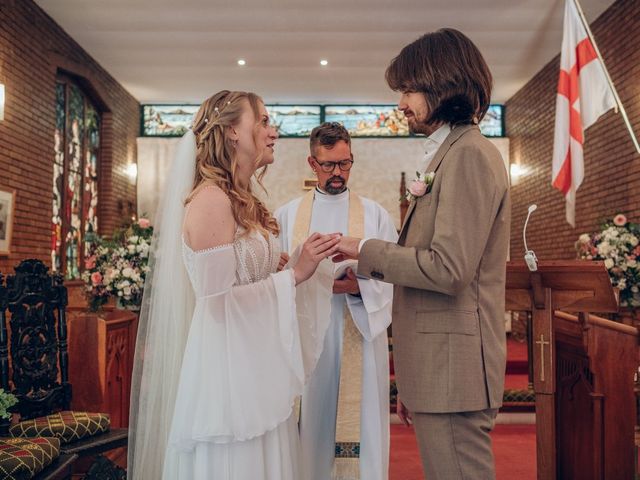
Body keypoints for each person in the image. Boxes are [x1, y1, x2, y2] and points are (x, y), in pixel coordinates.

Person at [128, 90, 341, 480]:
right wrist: (293, 276)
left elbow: (246, 277)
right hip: (227, 373)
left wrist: (295, 263)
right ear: (231, 132)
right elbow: (217, 303)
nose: (273, 131)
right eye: (262, 121)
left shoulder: (240, 198)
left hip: (253, 362)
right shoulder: (211, 200)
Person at [334, 29, 511, 480]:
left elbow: (449, 270)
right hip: (439, 368)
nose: (401, 104)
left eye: (407, 90)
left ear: (441, 84)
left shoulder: (468, 155)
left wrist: (365, 251)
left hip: (455, 372)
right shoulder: (448, 153)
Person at [275, 122, 397, 480]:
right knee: (308, 422)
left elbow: (395, 279)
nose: (338, 173)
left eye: (345, 164)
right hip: (303, 337)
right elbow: (273, 275)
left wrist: (358, 289)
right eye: (329, 165)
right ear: (312, 164)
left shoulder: (375, 215)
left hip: (357, 332)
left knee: (359, 426)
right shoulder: (287, 215)